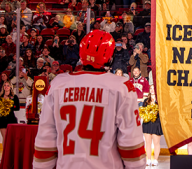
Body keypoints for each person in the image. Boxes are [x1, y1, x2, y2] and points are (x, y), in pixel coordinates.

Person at [33, 30, 146, 169]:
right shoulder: (122, 87)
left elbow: (45, 142)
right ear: (110, 57)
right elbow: (131, 146)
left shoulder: (57, 84)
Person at [142, 85, 163, 167]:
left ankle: (155, 159)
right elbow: (143, 112)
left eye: (154, 88)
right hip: (147, 123)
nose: (152, 90)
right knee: (148, 142)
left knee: (156, 142)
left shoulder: (160, 100)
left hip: (156, 123)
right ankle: (149, 159)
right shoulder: (146, 101)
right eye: (151, 88)